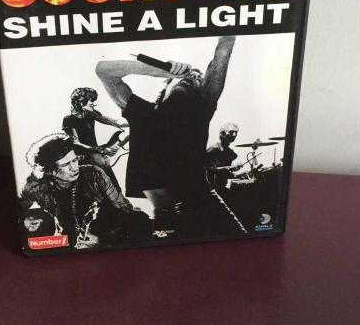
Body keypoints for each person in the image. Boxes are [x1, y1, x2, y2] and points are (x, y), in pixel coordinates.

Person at [95, 36, 247, 239]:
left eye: (197, 77)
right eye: (185, 76)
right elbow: (103, 70)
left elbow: (224, 49)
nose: (191, 76)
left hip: (205, 204)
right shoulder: (143, 114)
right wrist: (162, 70)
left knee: (242, 247)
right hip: (165, 215)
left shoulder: (201, 109)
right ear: (165, 88)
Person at [19, 132, 149, 249]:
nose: (74, 167)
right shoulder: (38, 188)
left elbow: (124, 208)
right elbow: (19, 210)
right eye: (66, 164)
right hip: (68, 243)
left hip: (104, 236)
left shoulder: (93, 174)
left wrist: (103, 238)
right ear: (50, 171)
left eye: (75, 160)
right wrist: (27, 221)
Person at [62, 87, 128, 190]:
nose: (93, 103)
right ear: (81, 102)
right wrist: (96, 150)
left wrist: (134, 121)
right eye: (91, 100)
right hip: (83, 158)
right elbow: (75, 142)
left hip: (97, 155)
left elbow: (115, 122)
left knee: (113, 185)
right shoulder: (69, 119)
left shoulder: (90, 113)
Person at [205, 123, 247, 192]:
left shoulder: (230, 152)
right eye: (231, 132)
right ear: (223, 133)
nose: (234, 135)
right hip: (211, 188)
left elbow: (225, 173)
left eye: (236, 133)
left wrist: (237, 175)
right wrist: (230, 167)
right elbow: (210, 169)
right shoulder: (213, 149)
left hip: (222, 186)